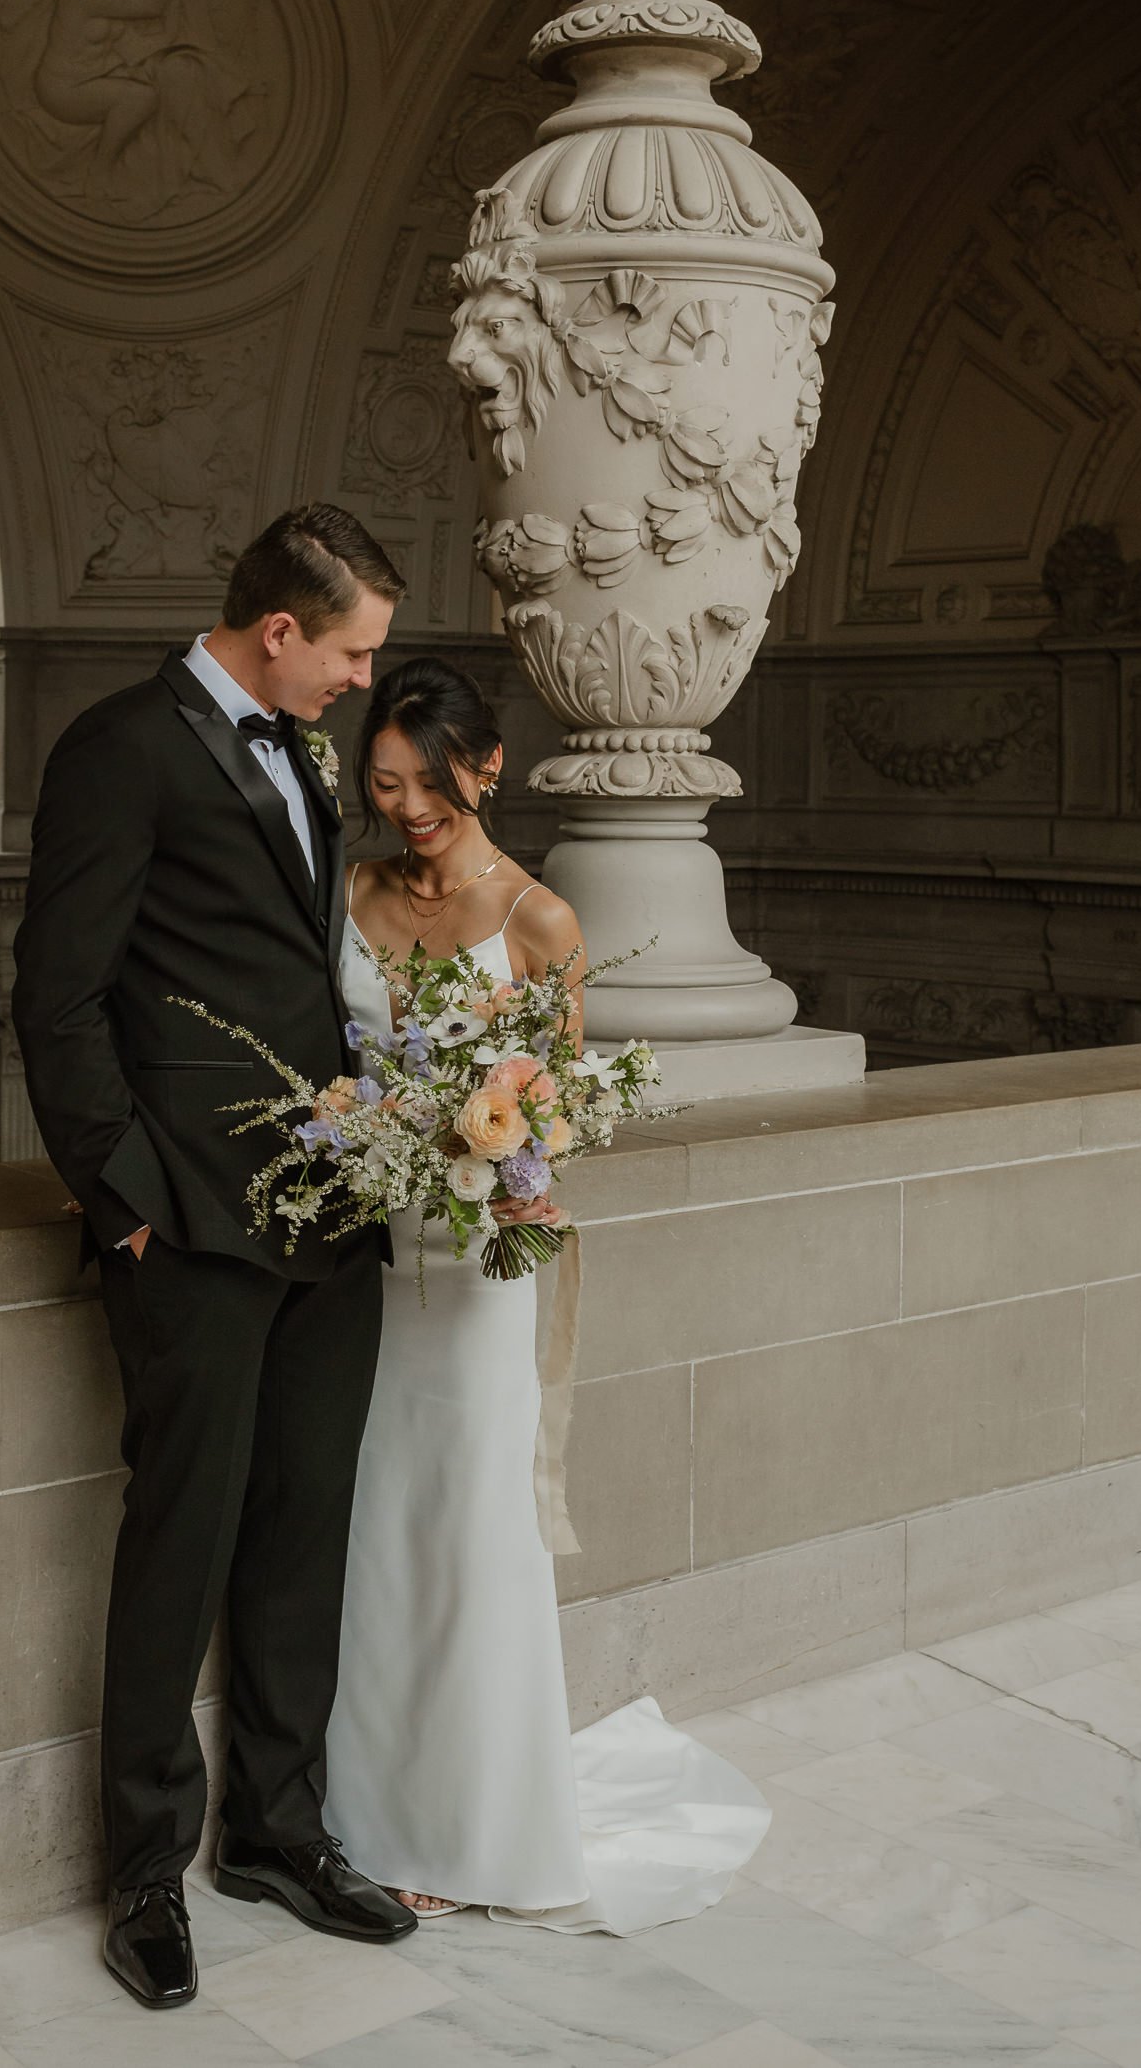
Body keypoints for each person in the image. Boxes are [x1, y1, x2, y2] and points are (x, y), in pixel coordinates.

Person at [11, 503, 418, 2013]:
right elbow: (57, 996)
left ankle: (277, 1835)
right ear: (279, 633)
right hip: (184, 1218)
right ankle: (141, 1877)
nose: (361, 686)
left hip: (330, 1211)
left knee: (304, 1525)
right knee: (179, 1539)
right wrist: (119, 1196)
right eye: (353, 654)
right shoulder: (119, 749)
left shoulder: (299, 748)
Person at [324, 655, 772, 1931]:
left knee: (468, 1525)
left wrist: (490, 1158)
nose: (409, 807)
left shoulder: (541, 919)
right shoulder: (347, 891)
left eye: (432, 782)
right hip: (358, 1248)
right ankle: (356, 1810)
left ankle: (467, 1825)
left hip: (471, 1271)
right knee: (370, 1526)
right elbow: (325, 1055)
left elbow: (558, 1113)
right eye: (386, 781)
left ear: (488, 767)